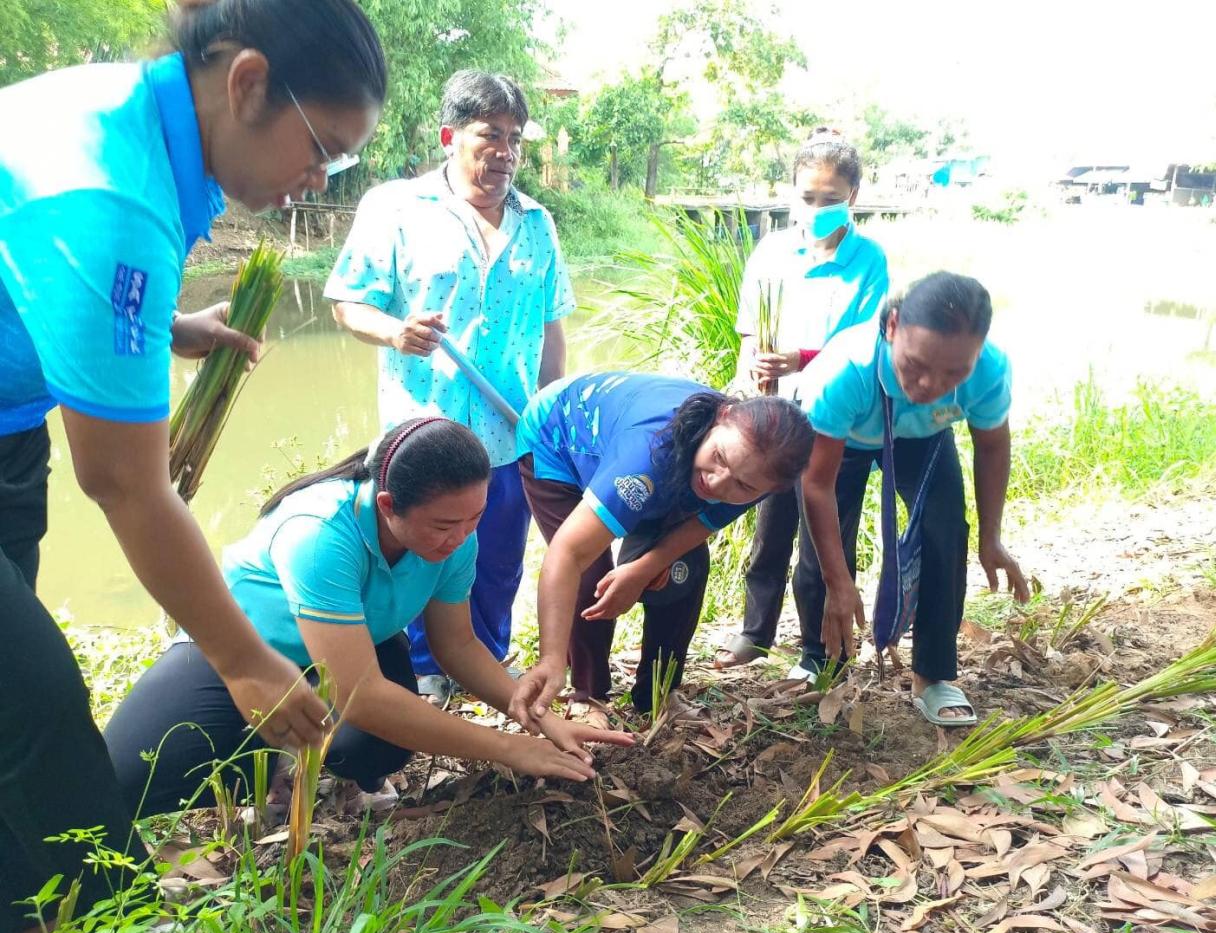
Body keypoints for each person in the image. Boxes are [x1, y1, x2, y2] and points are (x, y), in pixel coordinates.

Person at [0, 0, 385, 933]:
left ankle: (19, 913)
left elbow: (32, 261)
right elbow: (126, 483)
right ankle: (118, 927)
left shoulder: (148, 123)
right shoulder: (107, 191)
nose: (316, 180)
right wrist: (243, 660)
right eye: (321, 150)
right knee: (43, 705)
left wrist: (165, 327)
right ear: (248, 82)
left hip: (9, 426)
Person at [105, 419, 634, 818]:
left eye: (475, 518)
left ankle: (305, 765)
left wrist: (539, 719)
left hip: (353, 646)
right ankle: (273, 768)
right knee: (129, 778)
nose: (461, 537)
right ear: (387, 504)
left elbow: (458, 647)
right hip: (239, 652)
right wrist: (509, 749)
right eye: (445, 525)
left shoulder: (456, 538)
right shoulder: (320, 531)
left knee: (378, 741)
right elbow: (358, 695)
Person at [325, 70, 574, 704]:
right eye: (490, 135)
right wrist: (395, 331)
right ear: (449, 137)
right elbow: (349, 304)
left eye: (514, 138)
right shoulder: (395, 207)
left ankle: (485, 668)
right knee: (417, 554)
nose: (505, 153)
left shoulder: (537, 223)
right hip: (423, 431)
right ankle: (417, 676)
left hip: (508, 433)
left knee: (495, 561)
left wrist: (552, 418)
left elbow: (551, 330)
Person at [508, 372, 815, 735]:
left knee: (685, 568)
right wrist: (551, 659)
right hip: (558, 437)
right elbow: (568, 553)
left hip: (650, 461)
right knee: (590, 572)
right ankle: (587, 692)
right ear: (723, 416)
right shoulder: (649, 454)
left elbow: (702, 523)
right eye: (719, 457)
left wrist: (642, 569)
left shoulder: (760, 469)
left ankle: (656, 692)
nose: (717, 482)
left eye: (743, 485)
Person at [796, 272, 1030, 726]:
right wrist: (840, 583)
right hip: (843, 435)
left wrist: (992, 537)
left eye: (953, 373)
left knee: (945, 529)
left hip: (920, 435)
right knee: (824, 543)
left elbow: (992, 446)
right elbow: (816, 485)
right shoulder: (848, 369)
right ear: (892, 328)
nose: (930, 385)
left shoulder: (988, 371)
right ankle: (819, 659)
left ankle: (934, 676)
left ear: (978, 352)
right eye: (916, 364)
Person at [716, 127, 890, 670]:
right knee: (770, 533)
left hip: (838, 424)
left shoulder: (869, 261)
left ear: (853, 198)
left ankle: (819, 650)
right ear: (792, 192)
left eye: (831, 199)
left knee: (825, 542)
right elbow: (749, 331)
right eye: (808, 197)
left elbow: (868, 345)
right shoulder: (772, 251)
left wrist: (800, 359)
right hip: (775, 416)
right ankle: (756, 633)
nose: (817, 208)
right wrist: (757, 368)